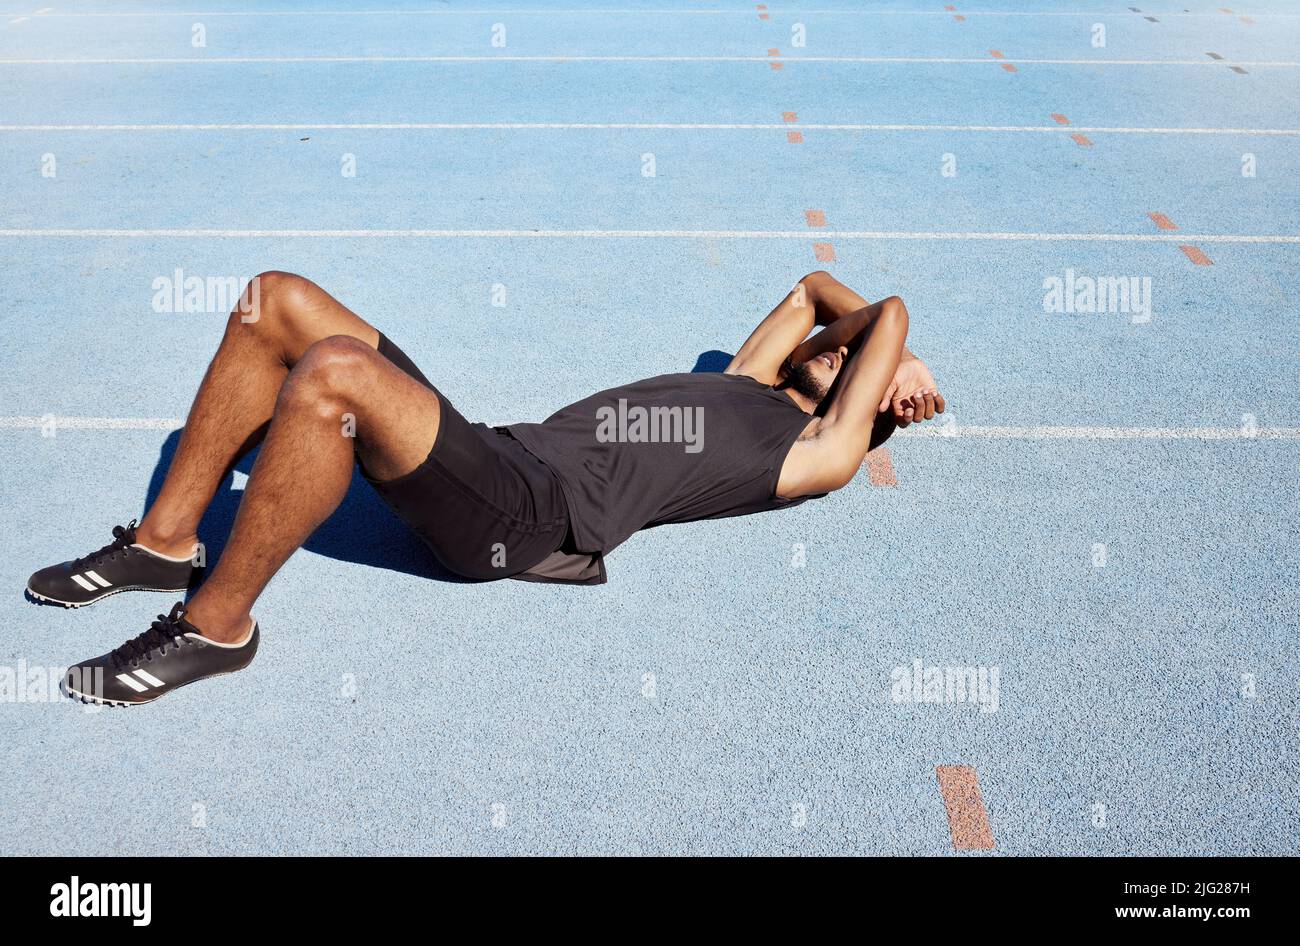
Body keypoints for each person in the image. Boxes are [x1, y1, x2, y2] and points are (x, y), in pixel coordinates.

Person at [29, 270, 944, 706]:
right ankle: (161, 546)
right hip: (503, 456)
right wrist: (867, 342)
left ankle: (217, 628)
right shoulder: (748, 383)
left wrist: (894, 351)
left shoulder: (819, 453)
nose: (837, 351)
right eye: (841, 348)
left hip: (529, 518)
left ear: (869, 406)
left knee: (334, 374)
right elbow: (811, 289)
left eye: (857, 362)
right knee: (277, 302)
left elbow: (886, 308)